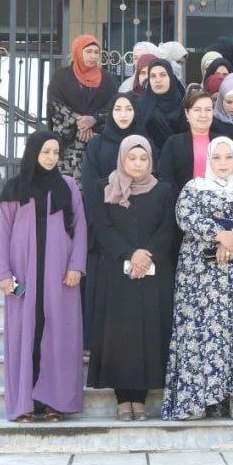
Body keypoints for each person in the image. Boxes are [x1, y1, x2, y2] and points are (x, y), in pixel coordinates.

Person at [162, 137, 233, 420]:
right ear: (207, 161)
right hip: (200, 277)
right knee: (199, 332)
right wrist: (218, 234)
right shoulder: (193, 188)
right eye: (217, 158)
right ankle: (197, 400)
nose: (223, 163)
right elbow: (185, 216)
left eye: (228, 157)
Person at [0, 131, 87, 422]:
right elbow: (3, 234)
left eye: (55, 152)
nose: (51, 158)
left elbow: (80, 228)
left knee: (58, 334)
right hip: (22, 276)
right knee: (26, 335)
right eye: (45, 151)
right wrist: (3, 273)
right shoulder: (14, 187)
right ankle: (24, 404)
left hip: (60, 277)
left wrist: (76, 266)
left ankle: (54, 402)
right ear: (34, 152)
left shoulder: (68, 186)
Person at [87, 135, 175, 421]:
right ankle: (122, 399)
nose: (137, 163)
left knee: (147, 335)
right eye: (132, 158)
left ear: (151, 160)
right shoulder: (105, 188)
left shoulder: (163, 190)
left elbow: (168, 229)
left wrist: (146, 254)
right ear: (122, 158)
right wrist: (129, 254)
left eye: (143, 158)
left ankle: (140, 398)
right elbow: (102, 227)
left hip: (152, 274)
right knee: (118, 337)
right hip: (115, 274)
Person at [80, 93, 153, 345]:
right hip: (105, 229)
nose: (123, 114)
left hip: (137, 230)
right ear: (111, 112)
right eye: (118, 108)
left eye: (129, 108)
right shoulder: (97, 145)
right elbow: (90, 188)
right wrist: (105, 220)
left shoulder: (145, 143)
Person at [46, 35, 118, 182]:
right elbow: (55, 104)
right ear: (78, 52)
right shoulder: (61, 76)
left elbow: (114, 105)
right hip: (68, 145)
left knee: (96, 186)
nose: (93, 56)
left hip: (97, 142)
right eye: (88, 51)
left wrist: (94, 119)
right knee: (68, 187)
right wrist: (79, 122)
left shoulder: (108, 79)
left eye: (96, 52)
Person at [158, 91, 214, 197]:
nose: (203, 115)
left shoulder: (222, 141)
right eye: (197, 110)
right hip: (181, 202)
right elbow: (166, 178)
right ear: (187, 113)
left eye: (208, 110)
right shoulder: (173, 143)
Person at [140, 59, 187, 149]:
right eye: (153, 76)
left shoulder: (183, 107)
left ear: (170, 77)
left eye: (163, 75)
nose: (158, 80)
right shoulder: (140, 106)